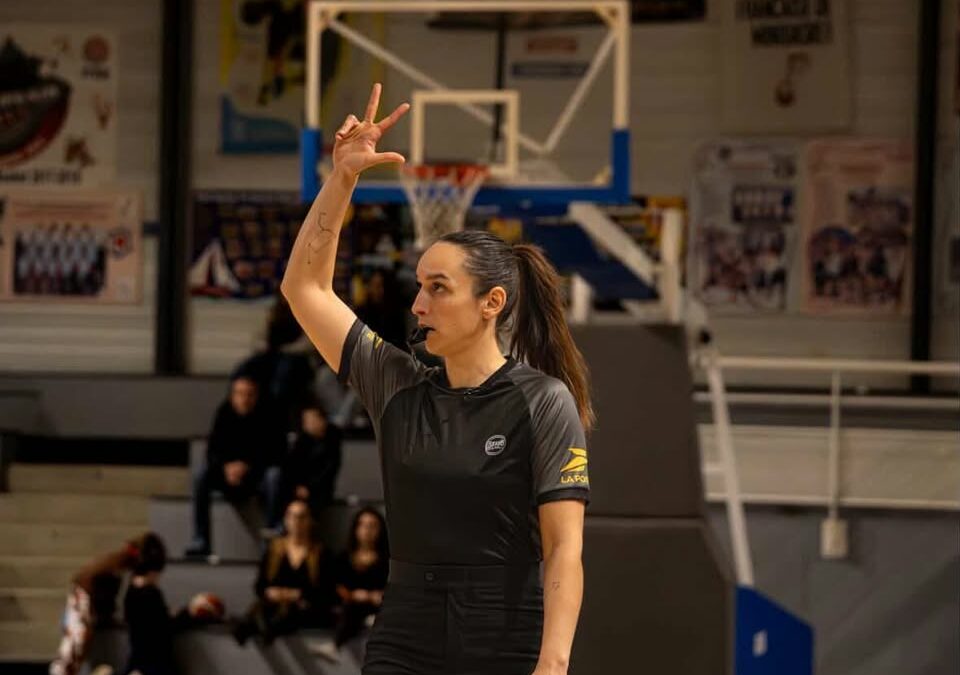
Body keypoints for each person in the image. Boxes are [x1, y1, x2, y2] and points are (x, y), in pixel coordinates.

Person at [281, 83, 592, 675]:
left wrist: (553, 662)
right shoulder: (395, 381)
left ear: (491, 302)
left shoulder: (542, 402)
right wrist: (342, 178)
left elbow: (564, 549)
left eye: (439, 288)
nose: (419, 304)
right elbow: (306, 290)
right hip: (407, 624)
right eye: (420, 285)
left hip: (507, 627)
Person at [185, 373, 286, 557]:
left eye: (249, 394)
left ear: (256, 396)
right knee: (201, 475)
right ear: (232, 395)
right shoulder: (224, 413)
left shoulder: (269, 415)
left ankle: (272, 536)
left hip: (256, 475)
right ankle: (201, 539)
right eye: (240, 393)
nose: (244, 399)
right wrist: (226, 467)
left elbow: (277, 453)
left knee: (275, 476)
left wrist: (247, 467)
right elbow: (212, 451)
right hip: (227, 475)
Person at [50, 533, 163, 675]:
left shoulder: (114, 564)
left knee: (76, 644)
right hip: (84, 599)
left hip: (83, 598)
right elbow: (100, 589)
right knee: (77, 642)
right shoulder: (117, 565)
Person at [233, 499, 337, 645]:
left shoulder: (322, 553)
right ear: (286, 519)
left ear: (310, 521)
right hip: (275, 604)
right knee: (261, 611)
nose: (296, 522)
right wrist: (271, 592)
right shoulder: (274, 550)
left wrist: (296, 594)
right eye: (292, 516)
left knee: (290, 612)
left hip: (306, 610)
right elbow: (260, 585)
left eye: (301, 517)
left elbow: (327, 591)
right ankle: (256, 628)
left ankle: (267, 628)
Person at [266, 397, 343, 530]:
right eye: (306, 421)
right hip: (298, 487)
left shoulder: (332, 441)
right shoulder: (302, 441)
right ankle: (277, 524)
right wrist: (297, 485)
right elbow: (290, 467)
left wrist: (310, 488)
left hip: (319, 490)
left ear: (322, 420)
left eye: (312, 420)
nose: (308, 424)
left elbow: (328, 471)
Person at [123, 535, 184, 675]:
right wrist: (188, 613)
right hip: (155, 664)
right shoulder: (151, 593)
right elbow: (164, 628)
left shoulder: (131, 590)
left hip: (137, 658)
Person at [331, 507, 389, 649]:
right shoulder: (344, 557)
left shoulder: (388, 561)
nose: (367, 530)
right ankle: (335, 645)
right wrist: (353, 595)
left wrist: (374, 596)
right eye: (362, 525)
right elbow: (335, 585)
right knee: (349, 608)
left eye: (372, 526)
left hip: (378, 606)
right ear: (355, 528)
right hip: (351, 605)